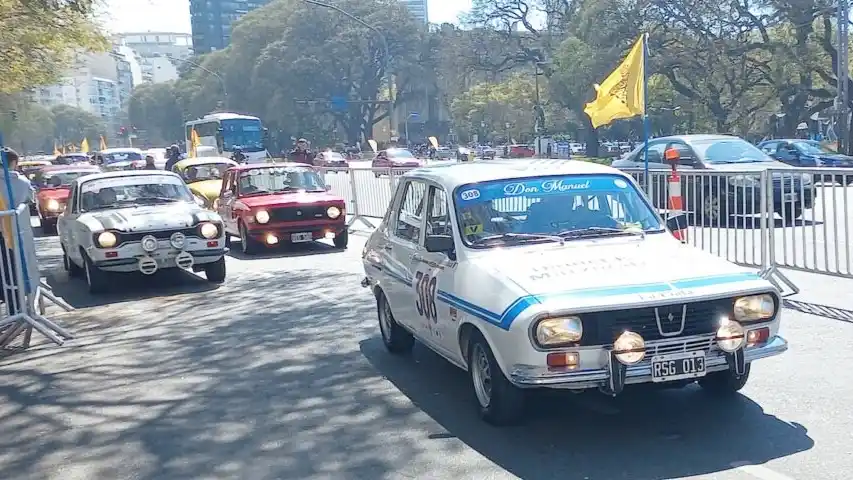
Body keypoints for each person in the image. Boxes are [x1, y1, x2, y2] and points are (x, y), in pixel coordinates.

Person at [0, 148, 33, 315]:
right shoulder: (23, 182)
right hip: (16, 232)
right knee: (15, 270)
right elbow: (30, 199)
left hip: (3, 232)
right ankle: (18, 306)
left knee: (7, 273)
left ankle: (13, 306)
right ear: (14, 162)